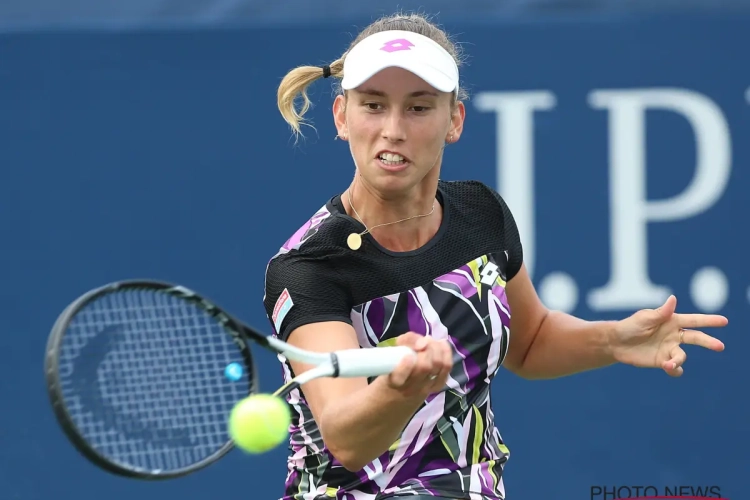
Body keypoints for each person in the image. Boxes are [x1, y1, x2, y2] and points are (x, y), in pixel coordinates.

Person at [262, 12, 728, 500]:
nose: (393, 129)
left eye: (419, 108)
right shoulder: (309, 266)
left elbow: (531, 342)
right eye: (373, 106)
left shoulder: (479, 213)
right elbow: (346, 438)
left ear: (454, 121)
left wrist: (613, 340)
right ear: (342, 116)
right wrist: (404, 386)